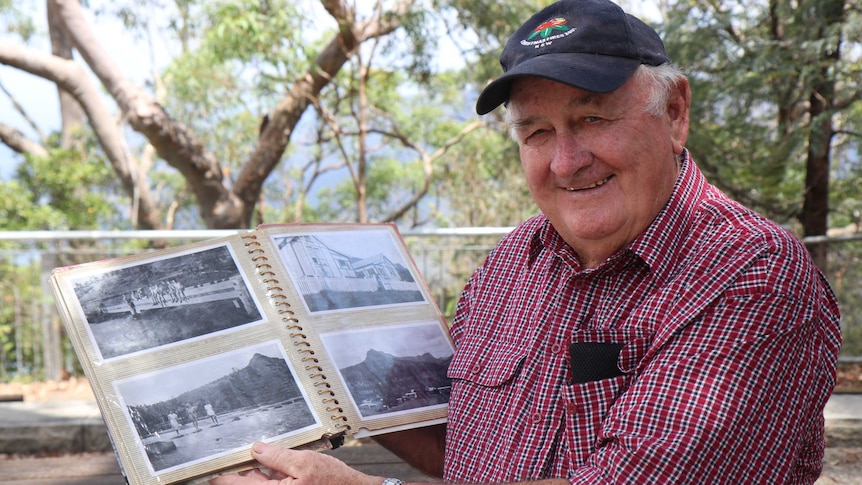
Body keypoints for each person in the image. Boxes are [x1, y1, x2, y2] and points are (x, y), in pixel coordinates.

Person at [210, 0, 842, 484]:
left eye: (592, 118)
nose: (566, 161)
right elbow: (464, 447)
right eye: (536, 131)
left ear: (675, 113)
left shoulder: (750, 276)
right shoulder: (510, 266)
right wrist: (314, 390)